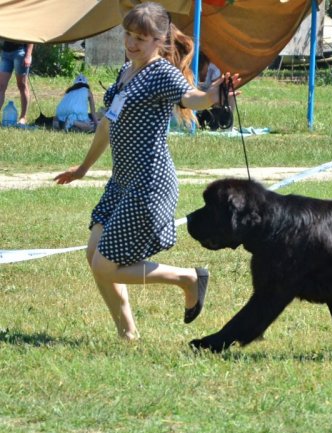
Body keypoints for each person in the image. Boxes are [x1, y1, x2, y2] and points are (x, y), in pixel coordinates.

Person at [54, 2, 241, 340]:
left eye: (141, 37)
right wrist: (83, 168)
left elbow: (190, 97)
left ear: (160, 40)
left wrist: (213, 96)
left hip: (149, 183)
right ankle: (128, 333)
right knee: (94, 256)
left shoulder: (161, 74)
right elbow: (106, 126)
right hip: (121, 181)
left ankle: (188, 278)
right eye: (128, 34)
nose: (132, 42)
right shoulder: (127, 71)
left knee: (105, 265)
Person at [0, 41, 34, 125]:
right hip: (5, 52)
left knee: (22, 86)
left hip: (20, 52)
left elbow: (31, 37)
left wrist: (28, 55)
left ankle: (23, 117)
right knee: (1, 86)